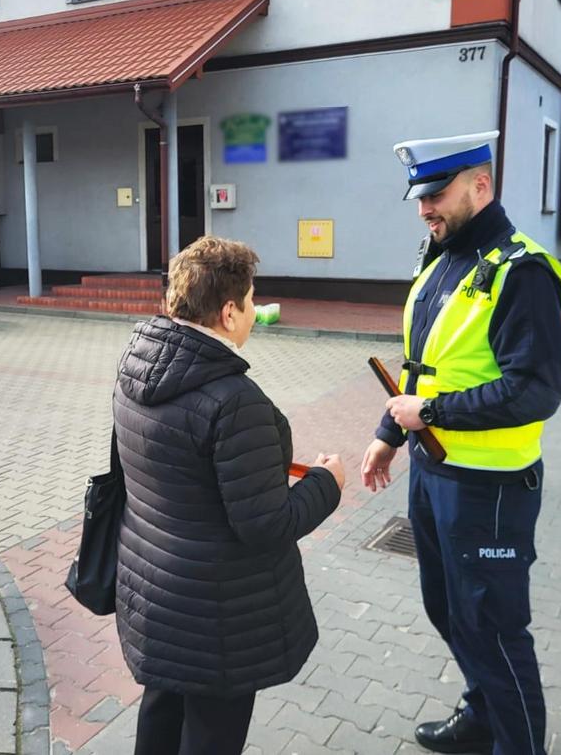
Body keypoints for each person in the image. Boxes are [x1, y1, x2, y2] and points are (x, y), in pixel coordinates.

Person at [361, 131, 561, 755]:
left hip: (490, 489)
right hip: (434, 476)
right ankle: (482, 717)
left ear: (482, 186)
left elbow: (535, 391)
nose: (425, 208)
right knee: (449, 611)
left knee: (496, 630)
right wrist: (390, 434)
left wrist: (429, 412)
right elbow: (425, 361)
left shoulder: (521, 271)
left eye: (437, 194)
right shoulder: (440, 258)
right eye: (419, 197)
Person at [113, 235, 345, 755]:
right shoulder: (236, 401)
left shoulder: (137, 367)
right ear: (229, 312)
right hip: (218, 612)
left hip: (154, 587)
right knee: (212, 731)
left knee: (163, 706)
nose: (254, 308)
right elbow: (265, 525)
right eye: (251, 299)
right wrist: (328, 483)